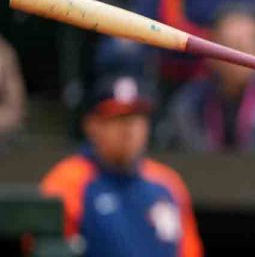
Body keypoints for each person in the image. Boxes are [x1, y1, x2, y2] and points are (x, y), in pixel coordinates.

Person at [40, 74, 203, 257]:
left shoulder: (168, 183)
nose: (129, 129)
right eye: (118, 118)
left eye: (137, 117)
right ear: (92, 125)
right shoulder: (68, 182)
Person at [157, 3, 255, 155]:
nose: (238, 59)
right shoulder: (188, 103)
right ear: (210, 53)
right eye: (229, 47)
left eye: (245, 47)